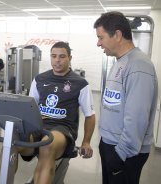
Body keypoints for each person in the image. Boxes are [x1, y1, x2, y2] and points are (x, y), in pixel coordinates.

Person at [12, 41, 96, 184]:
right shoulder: (40, 79)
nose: (57, 60)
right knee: (10, 143)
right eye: (54, 56)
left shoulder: (80, 83)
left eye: (62, 56)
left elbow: (90, 115)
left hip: (63, 129)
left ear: (70, 58)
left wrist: (86, 142)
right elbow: (30, 106)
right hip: (39, 126)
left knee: (47, 144)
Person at [94, 11, 158, 184]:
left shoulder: (138, 65)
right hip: (111, 144)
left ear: (117, 35)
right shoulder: (121, 61)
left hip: (125, 152)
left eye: (101, 37)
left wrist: (120, 154)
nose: (98, 43)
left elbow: (137, 117)